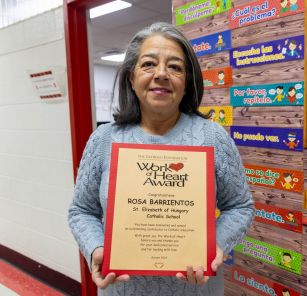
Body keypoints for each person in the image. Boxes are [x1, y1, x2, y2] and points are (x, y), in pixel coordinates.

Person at [68, 22, 254, 296]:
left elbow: (240, 206)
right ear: (131, 77)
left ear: (187, 81)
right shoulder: (104, 139)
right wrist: (96, 247)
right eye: (148, 64)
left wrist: (216, 245)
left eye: (175, 67)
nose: (162, 74)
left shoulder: (213, 137)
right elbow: (81, 211)